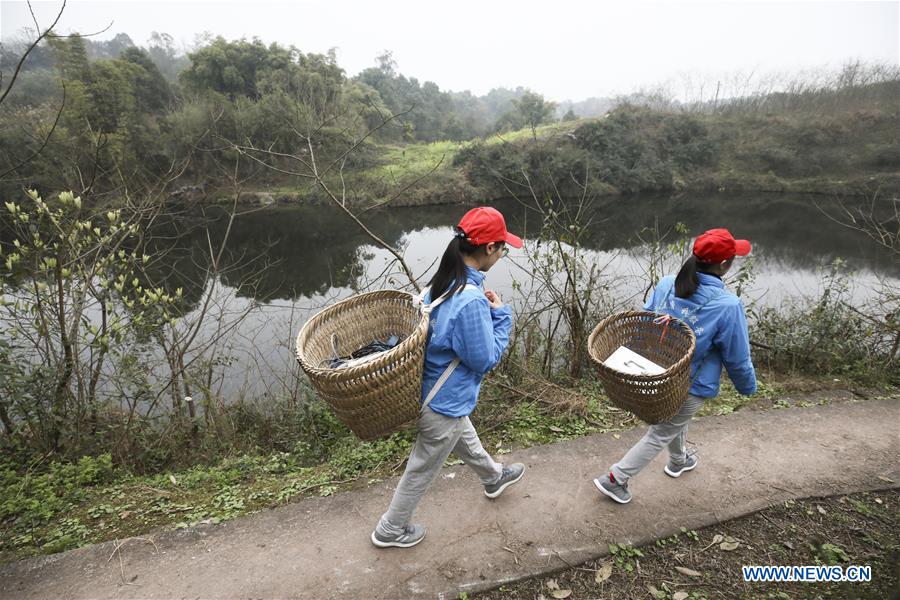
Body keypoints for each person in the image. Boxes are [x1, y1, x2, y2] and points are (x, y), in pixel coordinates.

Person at [371, 206, 527, 548]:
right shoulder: (470, 300)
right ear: (489, 248)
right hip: (443, 402)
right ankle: (390, 529)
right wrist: (501, 316)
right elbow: (484, 360)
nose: (502, 254)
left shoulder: (441, 283)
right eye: (502, 248)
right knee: (422, 467)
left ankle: (493, 477)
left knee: (463, 434)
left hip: (433, 392)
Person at [594, 228, 757, 504]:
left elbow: (645, 321)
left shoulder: (668, 283)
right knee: (661, 432)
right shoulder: (728, 305)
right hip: (692, 383)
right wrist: (747, 387)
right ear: (724, 265)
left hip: (657, 374)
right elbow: (737, 357)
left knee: (674, 421)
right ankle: (615, 479)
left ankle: (679, 460)